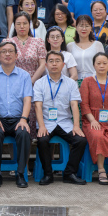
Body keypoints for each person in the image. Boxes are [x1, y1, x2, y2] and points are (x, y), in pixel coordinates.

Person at [34, 51, 87, 185]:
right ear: (46, 65)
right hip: (46, 122)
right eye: (51, 61)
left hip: (65, 122)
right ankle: (48, 174)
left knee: (80, 140)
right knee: (42, 140)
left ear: (63, 65)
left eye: (57, 61)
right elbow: (38, 106)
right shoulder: (39, 83)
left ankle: (69, 173)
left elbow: (74, 105)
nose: (54, 64)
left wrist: (76, 126)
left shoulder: (71, 83)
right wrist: (41, 126)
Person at [0, 41, 32, 188]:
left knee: (24, 133)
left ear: (16, 55)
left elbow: (27, 100)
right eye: (4, 52)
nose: (7, 54)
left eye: (10, 51)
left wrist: (24, 119)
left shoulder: (24, 75)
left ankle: (20, 173)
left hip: (19, 118)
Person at [79, 52, 108, 185]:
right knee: (98, 136)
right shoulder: (87, 81)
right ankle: (101, 170)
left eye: (104, 63)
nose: (101, 66)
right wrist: (92, 120)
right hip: (92, 120)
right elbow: (84, 104)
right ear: (93, 65)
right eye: (98, 63)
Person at [6, 12, 46, 85]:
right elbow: (5, 64)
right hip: (13, 82)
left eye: (25, 23)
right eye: (18, 24)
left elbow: (43, 65)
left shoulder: (38, 42)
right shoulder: (7, 42)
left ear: (29, 25)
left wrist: (31, 82)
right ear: (14, 26)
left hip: (34, 82)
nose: (22, 26)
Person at [67, 15, 105, 80]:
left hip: (94, 79)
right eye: (81, 26)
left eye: (87, 26)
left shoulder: (98, 45)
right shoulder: (70, 46)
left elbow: (102, 64)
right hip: (76, 80)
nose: (84, 29)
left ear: (91, 28)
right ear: (76, 27)